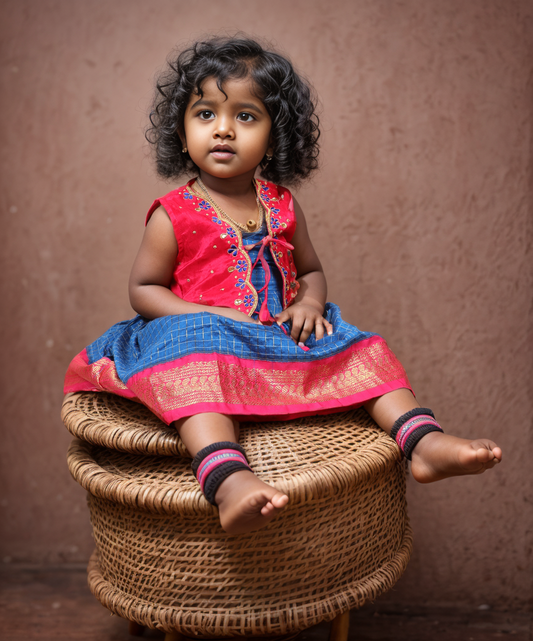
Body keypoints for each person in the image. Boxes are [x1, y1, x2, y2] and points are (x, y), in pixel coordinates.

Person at [64, 36, 502, 535]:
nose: (223, 129)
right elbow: (143, 291)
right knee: (195, 351)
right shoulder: (174, 215)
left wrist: (311, 303)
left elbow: (311, 270)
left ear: (275, 139)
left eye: (246, 117)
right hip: (196, 335)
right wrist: (209, 317)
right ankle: (228, 480)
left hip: (275, 331)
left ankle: (422, 442)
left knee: (360, 347)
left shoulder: (282, 205)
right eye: (205, 114)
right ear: (182, 133)